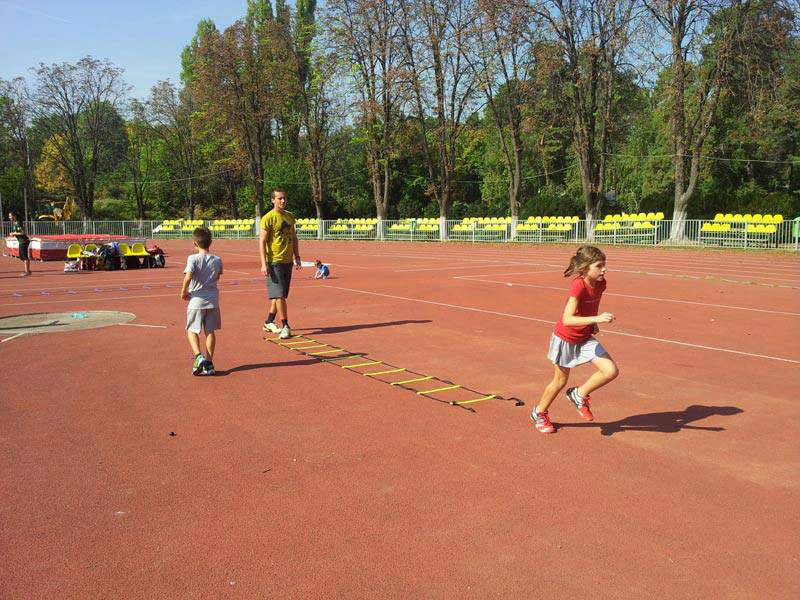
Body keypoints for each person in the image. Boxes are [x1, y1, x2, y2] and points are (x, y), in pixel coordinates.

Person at [531, 245, 619, 434]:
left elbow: (593, 303)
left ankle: (579, 394)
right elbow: (567, 319)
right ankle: (539, 413)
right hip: (566, 338)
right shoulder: (578, 285)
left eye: (604, 265)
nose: (604, 269)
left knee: (610, 371)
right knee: (560, 381)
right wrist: (596, 318)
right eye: (599, 266)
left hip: (585, 337)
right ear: (585, 267)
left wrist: (593, 323)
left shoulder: (601, 283)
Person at [180, 227, 223, 376]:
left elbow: (188, 276)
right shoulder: (217, 259)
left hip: (197, 300)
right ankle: (209, 363)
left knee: (191, 330)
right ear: (210, 242)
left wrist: (183, 291)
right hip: (213, 300)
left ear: (195, 243)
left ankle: (199, 357)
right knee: (210, 331)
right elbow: (217, 276)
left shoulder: (193, 258)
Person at [260, 188, 302, 339]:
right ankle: (285, 325)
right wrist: (263, 263)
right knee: (279, 295)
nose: (283, 201)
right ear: (273, 200)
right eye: (280, 198)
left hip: (287, 261)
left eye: (284, 198)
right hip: (274, 261)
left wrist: (297, 256)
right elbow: (262, 241)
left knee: (280, 295)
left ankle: (268, 322)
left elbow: (294, 237)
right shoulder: (268, 218)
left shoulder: (290, 216)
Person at [9, 212, 32, 277]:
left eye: (10, 216)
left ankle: (27, 271)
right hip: (21, 242)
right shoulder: (15, 223)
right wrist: (14, 234)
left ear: (14, 216)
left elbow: (22, 233)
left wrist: (13, 234)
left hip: (24, 241)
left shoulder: (18, 223)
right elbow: (18, 232)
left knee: (24, 257)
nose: (9, 217)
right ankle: (28, 270)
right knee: (21, 257)